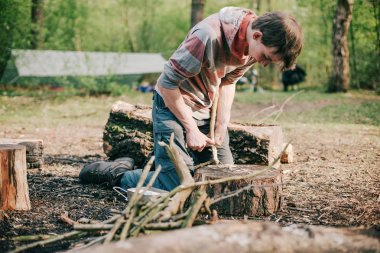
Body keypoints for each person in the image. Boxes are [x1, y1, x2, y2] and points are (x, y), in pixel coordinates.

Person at [79, 6, 303, 191]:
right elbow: (165, 85)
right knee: (176, 184)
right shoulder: (207, 36)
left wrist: (220, 126)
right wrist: (191, 129)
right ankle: (116, 174)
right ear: (257, 35)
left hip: (205, 108)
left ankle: (158, 163)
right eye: (266, 57)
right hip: (172, 106)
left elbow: (228, 82)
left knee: (223, 179)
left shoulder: (251, 45)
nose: (263, 63)